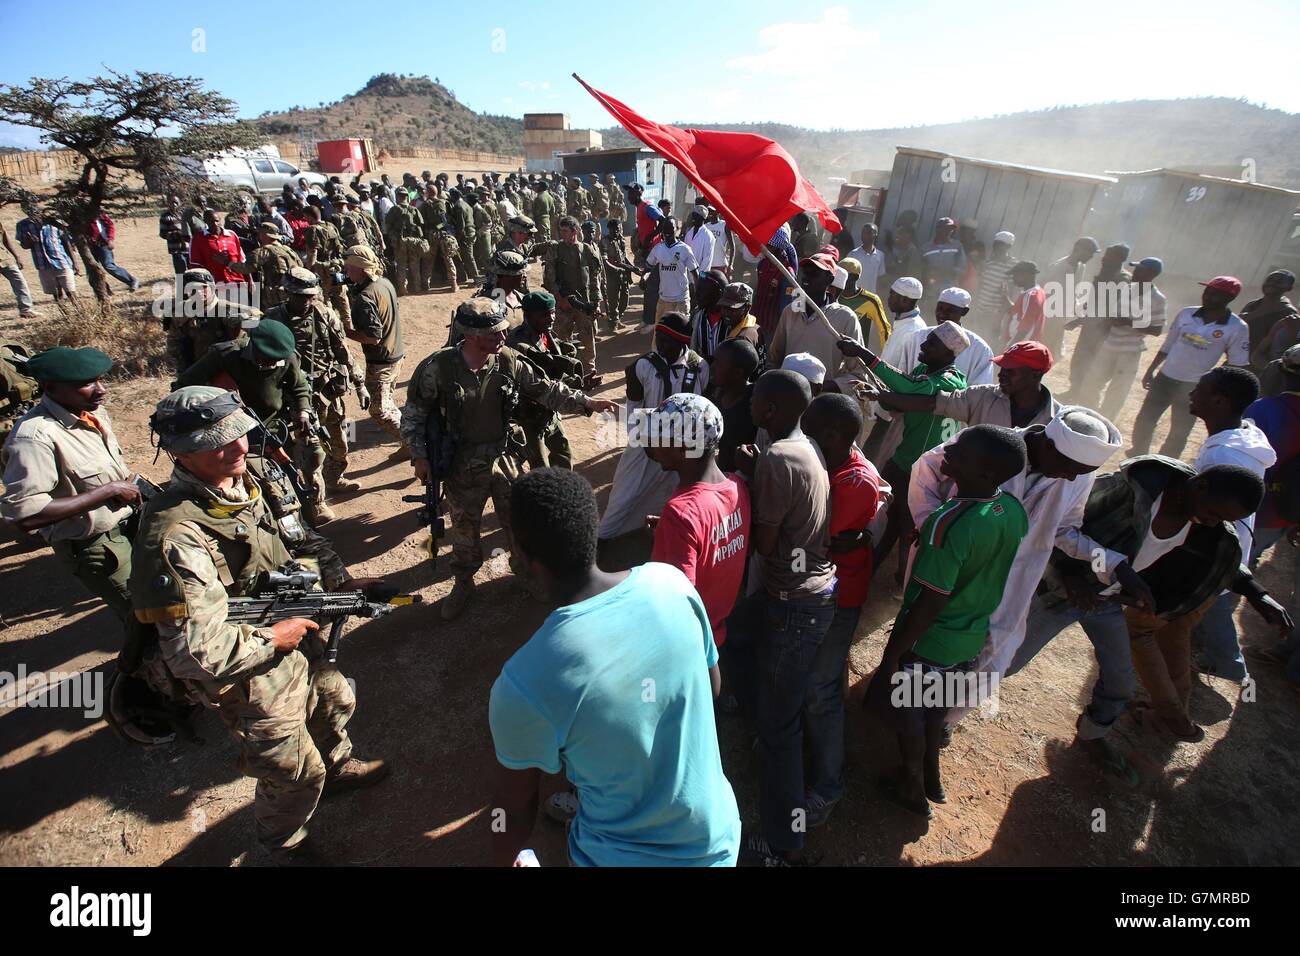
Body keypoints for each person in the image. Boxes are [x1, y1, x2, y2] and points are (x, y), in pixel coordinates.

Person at [129, 386, 388, 864]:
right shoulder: (175, 533)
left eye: (241, 434)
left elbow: (297, 539)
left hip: (297, 633)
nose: (239, 448)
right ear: (183, 454)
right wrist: (275, 636)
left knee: (333, 700)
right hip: (249, 668)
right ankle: (285, 840)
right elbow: (196, 653)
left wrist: (340, 582)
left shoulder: (250, 479)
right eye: (220, 441)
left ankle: (338, 766)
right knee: (290, 767)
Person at [488, 468, 740, 866]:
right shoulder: (672, 584)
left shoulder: (524, 681)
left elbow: (513, 812)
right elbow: (712, 688)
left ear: (521, 553)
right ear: (593, 527)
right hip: (717, 842)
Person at [1009, 460, 1290, 777]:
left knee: (1120, 682)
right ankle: (944, 702)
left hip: (1107, 602)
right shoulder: (1128, 491)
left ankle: (1092, 733)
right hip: (1061, 592)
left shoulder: (1204, 526)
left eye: (1223, 520)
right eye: (1215, 513)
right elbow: (1060, 525)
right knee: (1007, 662)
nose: (1213, 523)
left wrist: (1258, 594)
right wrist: (1070, 576)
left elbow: (1223, 558)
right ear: (1200, 486)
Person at [401, 299, 616, 620]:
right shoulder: (439, 368)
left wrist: (587, 402)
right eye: (495, 332)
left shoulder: (508, 361)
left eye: (503, 330)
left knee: (518, 522)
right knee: (464, 528)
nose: (503, 337)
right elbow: (414, 416)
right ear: (473, 336)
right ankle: (463, 581)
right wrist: (420, 456)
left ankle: (526, 574)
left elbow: (545, 390)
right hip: (461, 464)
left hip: (504, 458)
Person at [909, 407, 1123, 726]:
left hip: (1013, 584)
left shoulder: (1078, 474)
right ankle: (909, 714)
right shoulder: (989, 445)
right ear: (1049, 446)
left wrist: (1112, 565)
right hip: (952, 572)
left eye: (1084, 472)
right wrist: (935, 530)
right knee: (928, 641)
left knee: (993, 657)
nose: (1072, 478)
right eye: (1070, 468)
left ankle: (943, 723)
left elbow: (1065, 530)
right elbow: (924, 471)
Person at [867, 425, 1027, 817]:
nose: (948, 452)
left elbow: (929, 603)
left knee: (909, 714)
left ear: (986, 473)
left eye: (960, 452)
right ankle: (931, 775)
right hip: (971, 637)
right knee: (935, 709)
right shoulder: (1012, 510)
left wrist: (893, 654)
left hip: (931, 641)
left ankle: (911, 787)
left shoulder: (947, 522)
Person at [726, 370, 837, 866]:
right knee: (731, 637)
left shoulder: (774, 460)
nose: (749, 407)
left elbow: (763, 547)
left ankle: (783, 843)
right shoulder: (804, 444)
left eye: (756, 402)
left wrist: (746, 482)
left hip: (795, 603)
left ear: (770, 410)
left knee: (781, 728)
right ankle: (746, 709)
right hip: (803, 591)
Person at [1, 347, 137, 625]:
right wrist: (109, 491)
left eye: (100, 379)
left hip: (127, 529)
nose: (101, 390)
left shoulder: (93, 413)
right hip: (97, 547)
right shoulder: (34, 438)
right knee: (145, 621)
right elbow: (27, 517)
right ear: (51, 388)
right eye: (85, 384)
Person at [798, 392, 883, 826]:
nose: (801, 438)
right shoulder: (835, 465)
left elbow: (810, 536)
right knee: (807, 675)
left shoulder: (853, 482)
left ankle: (828, 786)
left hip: (836, 597)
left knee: (821, 690)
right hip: (815, 591)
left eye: (808, 431)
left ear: (832, 436)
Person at [839, 324, 969, 579]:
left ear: (948, 353)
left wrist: (863, 354)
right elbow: (905, 391)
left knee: (906, 527)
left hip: (920, 470)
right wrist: (879, 395)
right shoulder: (927, 371)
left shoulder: (947, 381)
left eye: (931, 344)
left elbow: (908, 389)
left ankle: (904, 580)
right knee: (887, 518)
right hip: (904, 460)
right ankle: (871, 569)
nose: (923, 346)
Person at [1174, 367, 1272, 688]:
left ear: (1219, 401)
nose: (1192, 393)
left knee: (1209, 600)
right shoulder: (1242, 435)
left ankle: (1228, 663)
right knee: (1214, 601)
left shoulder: (1226, 453)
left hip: (1214, 549)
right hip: (1225, 550)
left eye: (1199, 389)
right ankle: (1226, 660)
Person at [261, 268, 369, 523]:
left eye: (310, 295)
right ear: (287, 293)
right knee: (311, 451)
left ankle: (335, 478)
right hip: (295, 397)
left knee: (340, 442)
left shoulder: (324, 314)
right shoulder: (272, 320)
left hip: (329, 392)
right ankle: (317, 502)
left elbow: (342, 351)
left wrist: (360, 383)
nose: (306, 301)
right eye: (300, 296)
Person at [598, 312, 710, 549]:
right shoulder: (642, 367)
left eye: (667, 341)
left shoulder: (699, 367)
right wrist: (649, 445)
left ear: (682, 343)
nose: (660, 345)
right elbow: (633, 412)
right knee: (623, 495)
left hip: (683, 447)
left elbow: (702, 410)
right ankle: (603, 543)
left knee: (672, 494)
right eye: (658, 338)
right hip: (646, 445)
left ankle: (657, 539)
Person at [646, 393, 750, 647]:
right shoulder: (736, 486)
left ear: (682, 449)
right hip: (716, 628)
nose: (650, 442)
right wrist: (673, 536)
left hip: (687, 644)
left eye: (658, 435)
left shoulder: (680, 513)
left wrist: (675, 530)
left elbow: (677, 601)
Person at [1128, 275, 1251, 458]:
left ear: (1229, 298)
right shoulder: (1186, 313)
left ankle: (1164, 463)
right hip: (1166, 377)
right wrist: (1151, 369)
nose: (1208, 296)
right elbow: (1168, 344)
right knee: (1145, 419)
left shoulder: (1237, 327)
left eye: (1215, 294)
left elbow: (1237, 364)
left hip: (1197, 387)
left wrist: (1220, 389)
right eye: (1207, 291)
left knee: (1180, 431)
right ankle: (1138, 455)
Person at [1240, 346, 1300, 688]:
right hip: (1287, 515)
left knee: (1236, 563)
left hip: (1254, 506)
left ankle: (1205, 632)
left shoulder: (1266, 409)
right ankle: (1290, 652)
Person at [872, 340, 1060, 434]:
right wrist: (881, 396)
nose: (1001, 374)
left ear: (1035, 375)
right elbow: (931, 403)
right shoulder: (982, 396)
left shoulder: (1056, 421)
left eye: (1010, 371)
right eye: (1001, 368)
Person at [506, 291, 585, 469]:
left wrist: (578, 381)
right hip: (530, 416)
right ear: (529, 315)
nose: (551, 318)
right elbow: (540, 377)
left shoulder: (546, 333)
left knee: (563, 455)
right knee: (539, 466)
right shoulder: (518, 343)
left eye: (553, 312)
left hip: (550, 409)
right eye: (544, 315)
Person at [767, 254, 868, 392]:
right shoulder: (790, 311)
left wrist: (818, 388)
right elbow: (774, 359)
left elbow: (859, 376)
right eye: (805, 273)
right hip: (786, 400)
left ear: (829, 280)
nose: (807, 277)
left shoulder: (845, 318)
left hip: (821, 405)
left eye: (814, 273)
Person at [1090, 256, 1167, 421]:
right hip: (1109, 343)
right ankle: (1088, 413)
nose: (1135, 272)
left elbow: (1156, 329)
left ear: (1152, 274)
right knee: (1093, 381)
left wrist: (1129, 322)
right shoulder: (1127, 288)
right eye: (1136, 268)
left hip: (1130, 350)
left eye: (1140, 269)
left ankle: (1105, 421)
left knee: (1117, 392)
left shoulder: (1157, 299)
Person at [342, 245, 404, 443]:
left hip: (381, 362)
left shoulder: (364, 298)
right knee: (387, 400)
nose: (346, 271)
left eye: (349, 267)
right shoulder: (385, 283)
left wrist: (346, 332)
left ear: (361, 268)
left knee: (379, 410)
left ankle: (413, 443)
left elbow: (373, 337)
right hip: (396, 353)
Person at [883, 286, 994, 393]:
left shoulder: (980, 348)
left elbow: (980, 391)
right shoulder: (917, 337)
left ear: (964, 312)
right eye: (940, 308)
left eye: (950, 310)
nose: (942, 314)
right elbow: (902, 375)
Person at [1065, 242, 1131, 404]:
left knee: (1094, 368)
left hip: (1104, 333)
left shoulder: (1123, 280)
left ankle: (1086, 400)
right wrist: (1079, 320)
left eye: (1109, 256)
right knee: (1079, 361)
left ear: (1120, 259)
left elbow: (1116, 309)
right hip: (1090, 328)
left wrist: (1103, 325)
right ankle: (1074, 391)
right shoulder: (1104, 275)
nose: (1103, 259)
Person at [543, 216, 599, 386]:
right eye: (561, 230)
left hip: (584, 303)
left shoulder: (587, 249)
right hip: (564, 304)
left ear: (575, 231)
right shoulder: (556, 249)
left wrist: (596, 301)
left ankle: (590, 373)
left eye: (566, 230)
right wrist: (560, 299)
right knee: (562, 340)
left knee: (588, 339)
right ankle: (568, 377)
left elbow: (596, 276)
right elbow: (549, 279)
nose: (562, 233)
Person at [1040, 237, 1100, 357]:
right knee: (1043, 350)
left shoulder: (1080, 267)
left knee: (1052, 353)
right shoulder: (1058, 268)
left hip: (1061, 319)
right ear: (1078, 249)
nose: (1091, 257)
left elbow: (1072, 294)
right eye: (1090, 252)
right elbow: (1043, 293)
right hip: (1048, 318)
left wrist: (1074, 316)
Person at [223, 222, 302, 311]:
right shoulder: (288, 250)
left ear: (264, 235)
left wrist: (228, 263)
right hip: (293, 292)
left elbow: (246, 268)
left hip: (275, 295)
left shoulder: (263, 251)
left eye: (259, 233)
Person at [707, 338, 760, 472]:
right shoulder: (714, 397)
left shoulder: (755, 405)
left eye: (718, 363)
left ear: (738, 373)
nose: (712, 367)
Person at [15, 206, 80, 301]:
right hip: (43, 265)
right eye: (31, 213)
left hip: (62, 262)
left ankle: (79, 313)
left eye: (37, 213)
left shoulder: (54, 223)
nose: (34, 216)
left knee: (71, 291)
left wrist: (75, 262)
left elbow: (67, 243)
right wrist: (30, 241)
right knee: (56, 294)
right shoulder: (23, 225)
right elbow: (24, 246)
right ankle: (66, 314)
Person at [645, 217, 700, 329]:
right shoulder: (658, 249)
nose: (667, 232)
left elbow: (695, 274)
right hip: (664, 300)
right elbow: (648, 266)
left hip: (681, 300)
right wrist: (643, 277)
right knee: (660, 333)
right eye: (665, 229)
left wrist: (699, 295)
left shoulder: (685, 249)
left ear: (677, 229)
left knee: (682, 332)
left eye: (671, 228)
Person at [300, 206, 351, 326]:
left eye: (306, 217)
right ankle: (348, 323)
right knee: (342, 295)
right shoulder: (330, 226)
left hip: (322, 269)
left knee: (325, 297)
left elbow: (313, 252)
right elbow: (340, 247)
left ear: (310, 217)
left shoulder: (312, 230)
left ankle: (332, 325)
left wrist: (309, 270)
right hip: (336, 265)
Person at [1241, 270, 1298, 367]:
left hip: (1257, 367)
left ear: (1289, 288)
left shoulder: (1288, 313)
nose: (1272, 283)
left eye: (1279, 282)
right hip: (1235, 360)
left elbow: (1282, 346)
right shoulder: (1252, 305)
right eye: (1269, 280)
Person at [834, 259, 891, 354]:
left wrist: (887, 357)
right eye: (837, 273)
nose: (839, 277)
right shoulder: (832, 295)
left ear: (855, 277)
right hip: (833, 354)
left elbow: (884, 330)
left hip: (856, 359)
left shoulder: (870, 300)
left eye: (844, 274)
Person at [968, 230, 1016, 341]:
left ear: (1008, 247)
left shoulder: (1013, 267)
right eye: (995, 244)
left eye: (1000, 245)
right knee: (976, 338)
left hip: (995, 313)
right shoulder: (988, 263)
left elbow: (1011, 293)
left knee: (990, 340)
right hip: (980, 310)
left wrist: (999, 318)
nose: (996, 247)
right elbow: (980, 286)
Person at [381, 188, 425, 297]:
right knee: (414, 264)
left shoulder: (394, 209)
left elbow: (388, 225)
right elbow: (421, 224)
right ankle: (417, 287)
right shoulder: (414, 209)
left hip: (400, 241)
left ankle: (403, 289)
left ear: (398, 197)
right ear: (407, 197)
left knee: (401, 265)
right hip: (414, 241)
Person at [188, 208, 247, 286]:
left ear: (220, 220)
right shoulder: (198, 239)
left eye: (217, 221)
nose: (215, 224)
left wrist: (250, 280)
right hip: (215, 284)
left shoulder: (232, 235)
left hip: (237, 282)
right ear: (205, 222)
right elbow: (196, 265)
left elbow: (242, 260)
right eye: (211, 222)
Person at [86, 211, 138, 292]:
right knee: (91, 269)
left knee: (108, 265)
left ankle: (131, 280)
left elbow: (110, 225)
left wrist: (110, 240)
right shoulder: (78, 215)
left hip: (103, 244)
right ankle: (103, 290)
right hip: (89, 246)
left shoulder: (99, 213)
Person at [1002, 261, 1046, 347]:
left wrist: (1010, 347)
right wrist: (1005, 297)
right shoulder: (1038, 291)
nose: (1013, 278)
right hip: (1026, 344)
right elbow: (1017, 313)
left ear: (1025, 275)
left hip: (1021, 346)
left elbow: (1025, 328)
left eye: (1015, 275)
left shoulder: (1031, 296)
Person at [0, 222, 39, 317]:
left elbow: (6, 240)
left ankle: (26, 309)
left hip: (5, 259)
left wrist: (17, 256)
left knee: (20, 282)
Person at [921, 217, 966, 297]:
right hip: (930, 291)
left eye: (951, 229)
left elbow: (962, 268)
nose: (949, 231)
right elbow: (920, 269)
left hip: (949, 291)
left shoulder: (957, 246)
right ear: (938, 229)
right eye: (945, 229)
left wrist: (948, 270)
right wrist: (929, 272)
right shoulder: (926, 247)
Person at [684, 207, 716, 300]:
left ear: (702, 218)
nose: (693, 218)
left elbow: (707, 261)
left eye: (696, 216)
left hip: (699, 281)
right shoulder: (689, 233)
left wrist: (697, 281)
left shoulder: (708, 236)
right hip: (686, 279)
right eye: (693, 215)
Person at [846, 223, 885, 298]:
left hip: (870, 297)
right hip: (854, 296)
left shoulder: (880, 255)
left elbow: (880, 277)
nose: (866, 235)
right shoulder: (853, 254)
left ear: (876, 234)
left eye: (869, 232)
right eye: (863, 232)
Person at [158, 195, 191, 277]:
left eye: (176, 202)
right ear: (168, 204)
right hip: (176, 249)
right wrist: (177, 234)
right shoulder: (165, 217)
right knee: (180, 274)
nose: (174, 205)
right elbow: (163, 234)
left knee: (193, 273)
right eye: (172, 202)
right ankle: (180, 289)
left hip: (189, 248)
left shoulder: (185, 214)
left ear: (180, 203)